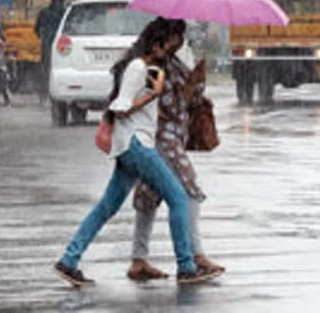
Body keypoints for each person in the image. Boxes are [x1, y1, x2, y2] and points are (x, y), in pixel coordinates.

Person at [54, 21, 221, 286]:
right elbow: (120, 107)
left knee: (106, 208)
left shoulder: (148, 68)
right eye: (168, 46)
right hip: (137, 145)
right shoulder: (138, 67)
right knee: (178, 197)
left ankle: (69, 260)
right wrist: (151, 96)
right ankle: (186, 266)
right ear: (155, 45)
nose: (169, 52)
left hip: (129, 146)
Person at [127, 19, 224, 281]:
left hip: (172, 137)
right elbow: (163, 102)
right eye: (176, 36)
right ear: (165, 38)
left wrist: (197, 84)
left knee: (149, 196)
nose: (180, 41)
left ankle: (139, 259)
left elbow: (187, 99)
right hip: (162, 138)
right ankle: (195, 255)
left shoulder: (172, 63)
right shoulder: (154, 66)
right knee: (190, 190)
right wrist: (191, 87)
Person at [35, 0, 65, 102]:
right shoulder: (64, 13)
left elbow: (37, 29)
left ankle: (43, 95)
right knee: (60, 68)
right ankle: (57, 93)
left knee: (45, 69)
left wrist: (42, 36)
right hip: (60, 45)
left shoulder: (43, 12)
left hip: (46, 43)